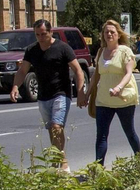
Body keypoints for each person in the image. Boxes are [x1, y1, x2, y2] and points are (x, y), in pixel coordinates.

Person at [10, 18, 85, 170]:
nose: (41, 38)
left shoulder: (62, 48)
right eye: (37, 34)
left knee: (57, 127)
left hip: (61, 93)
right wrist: (15, 87)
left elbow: (78, 70)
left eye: (43, 34)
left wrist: (81, 91)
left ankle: (63, 163)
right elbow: (23, 70)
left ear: (51, 32)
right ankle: (56, 161)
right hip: (43, 96)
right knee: (51, 129)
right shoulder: (32, 50)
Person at [81, 18, 140, 166]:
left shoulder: (125, 51)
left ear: (118, 34)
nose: (109, 34)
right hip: (104, 100)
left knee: (129, 132)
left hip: (123, 99)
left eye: (112, 32)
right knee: (101, 136)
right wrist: (87, 95)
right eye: (106, 32)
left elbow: (128, 73)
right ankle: (99, 168)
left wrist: (118, 88)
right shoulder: (101, 52)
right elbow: (96, 76)